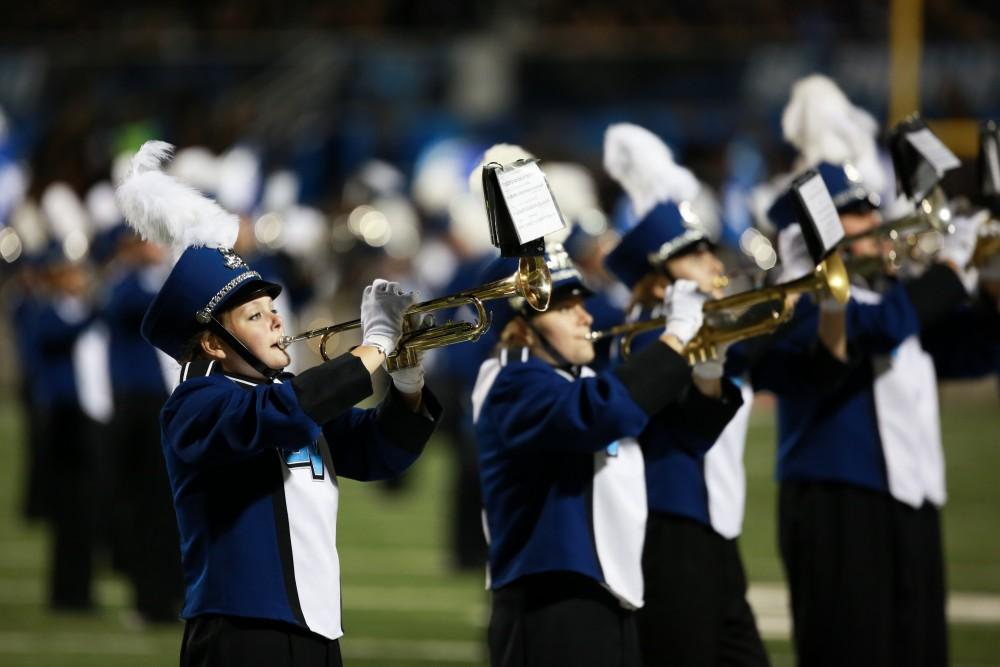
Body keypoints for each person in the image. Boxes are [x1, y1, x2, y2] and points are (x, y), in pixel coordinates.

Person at [116, 140, 441, 667]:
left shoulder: (284, 400)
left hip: (315, 629)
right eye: (253, 314)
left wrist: (405, 382)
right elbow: (274, 417)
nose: (274, 319)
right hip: (240, 634)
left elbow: (377, 453)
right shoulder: (196, 406)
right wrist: (372, 347)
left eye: (272, 307)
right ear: (214, 342)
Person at [765, 74, 995, 667]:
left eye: (871, 212)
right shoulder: (809, 301)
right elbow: (878, 330)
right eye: (854, 216)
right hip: (838, 502)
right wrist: (949, 267)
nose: (873, 226)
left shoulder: (897, 293)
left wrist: (987, 285)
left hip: (908, 493)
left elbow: (968, 353)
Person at [602, 122, 850, 666]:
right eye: (696, 256)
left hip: (716, 529)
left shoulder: (706, 329)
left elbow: (810, 374)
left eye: (711, 252)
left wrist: (824, 300)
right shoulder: (647, 329)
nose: (715, 266)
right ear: (658, 274)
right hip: (668, 530)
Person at [472, 242, 714, 667]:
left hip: (606, 594)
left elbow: (681, 438)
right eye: (565, 308)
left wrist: (709, 365)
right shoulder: (511, 382)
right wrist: (674, 337)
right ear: (522, 327)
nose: (586, 317)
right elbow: (596, 413)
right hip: (552, 602)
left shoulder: (579, 379)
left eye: (582, 304)